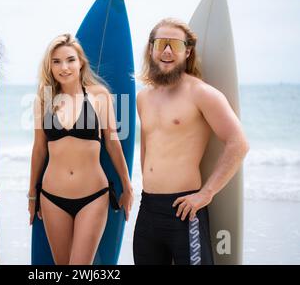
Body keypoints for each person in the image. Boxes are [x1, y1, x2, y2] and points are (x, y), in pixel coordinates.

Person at [133, 18, 249, 265]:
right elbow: (146, 145)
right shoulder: (143, 98)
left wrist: (206, 193)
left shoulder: (201, 93)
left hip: (185, 210)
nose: (166, 51)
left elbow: (238, 143)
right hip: (148, 209)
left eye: (174, 45)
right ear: (151, 49)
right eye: (161, 43)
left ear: (187, 52)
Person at [28, 33, 134, 265]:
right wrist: (32, 194)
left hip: (93, 196)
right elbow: (39, 150)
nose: (64, 67)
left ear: (81, 62)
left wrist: (127, 186)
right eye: (56, 62)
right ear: (50, 66)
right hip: (52, 197)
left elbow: (113, 142)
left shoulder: (98, 95)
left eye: (70, 60)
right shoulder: (44, 99)